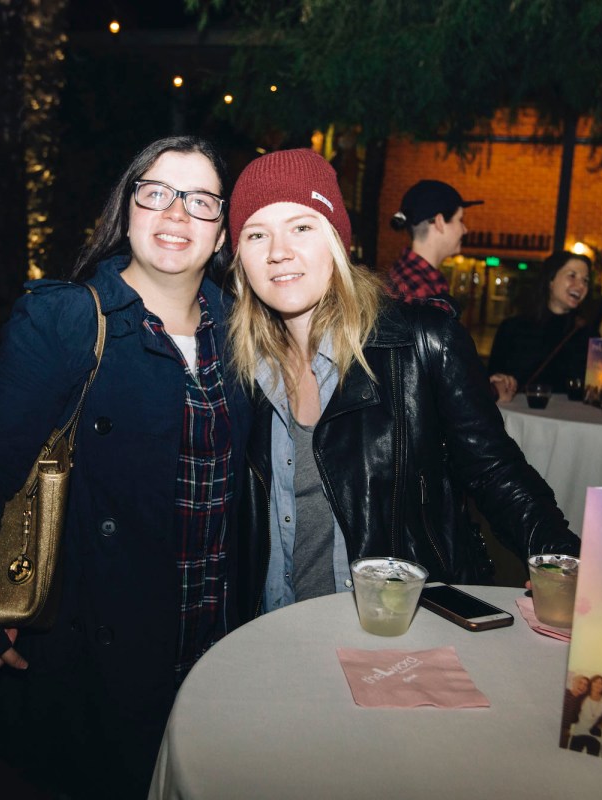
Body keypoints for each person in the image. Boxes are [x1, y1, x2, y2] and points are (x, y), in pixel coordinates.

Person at [0, 136, 252, 799]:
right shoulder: (68, 319)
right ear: (125, 211)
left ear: (222, 235)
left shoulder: (240, 327)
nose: (175, 214)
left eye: (201, 200)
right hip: (98, 651)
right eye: (155, 192)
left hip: (213, 639)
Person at [224, 149, 579, 625]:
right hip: (276, 632)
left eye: (302, 226)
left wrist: (562, 559)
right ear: (239, 256)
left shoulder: (422, 341)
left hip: (397, 631)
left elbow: (495, 472)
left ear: (337, 240)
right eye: (256, 234)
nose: (278, 251)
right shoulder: (241, 373)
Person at [487, 250, 595, 401]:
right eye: (572, 276)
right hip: (520, 420)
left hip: (567, 422)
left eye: (585, 280)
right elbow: (492, 379)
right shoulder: (512, 328)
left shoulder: (588, 335)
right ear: (551, 280)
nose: (580, 285)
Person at [386, 179, 483, 314]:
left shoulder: (406, 277)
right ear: (440, 222)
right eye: (460, 220)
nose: (465, 229)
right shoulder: (421, 295)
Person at [568, 674, 602, 755]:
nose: (598, 685)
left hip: (594, 735)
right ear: (591, 683)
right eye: (595, 682)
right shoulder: (582, 697)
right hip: (578, 732)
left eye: (601, 683)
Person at [560, 674, 590, 748]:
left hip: (565, 731)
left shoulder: (581, 701)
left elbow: (575, 719)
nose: (582, 686)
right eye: (580, 682)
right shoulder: (564, 692)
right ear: (573, 682)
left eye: (585, 685)